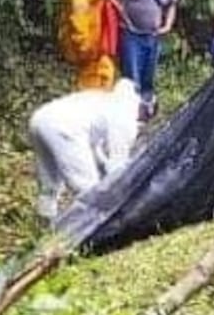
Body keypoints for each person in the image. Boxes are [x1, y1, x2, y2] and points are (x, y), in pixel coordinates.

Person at [28, 79, 140, 225]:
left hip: (39, 119)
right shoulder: (126, 116)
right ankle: (88, 228)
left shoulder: (103, 100)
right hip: (63, 126)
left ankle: (43, 221)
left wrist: (103, 165)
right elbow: (117, 165)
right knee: (88, 188)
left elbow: (94, 148)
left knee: (49, 180)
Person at [112, 0, 178, 122]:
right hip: (131, 32)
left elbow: (171, 1)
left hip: (153, 33)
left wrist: (168, 24)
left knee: (149, 76)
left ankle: (146, 114)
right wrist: (119, 9)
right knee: (131, 78)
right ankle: (130, 117)